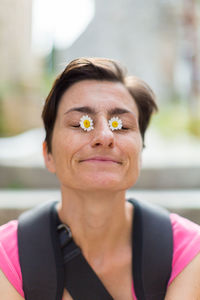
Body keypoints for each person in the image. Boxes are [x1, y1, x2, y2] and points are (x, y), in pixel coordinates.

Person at [0, 57, 200, 300]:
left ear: (140, 153)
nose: (105, 136)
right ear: (48, 154)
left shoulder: (188, 253)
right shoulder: (8, 259)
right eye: (81, 123)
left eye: (122, 125)